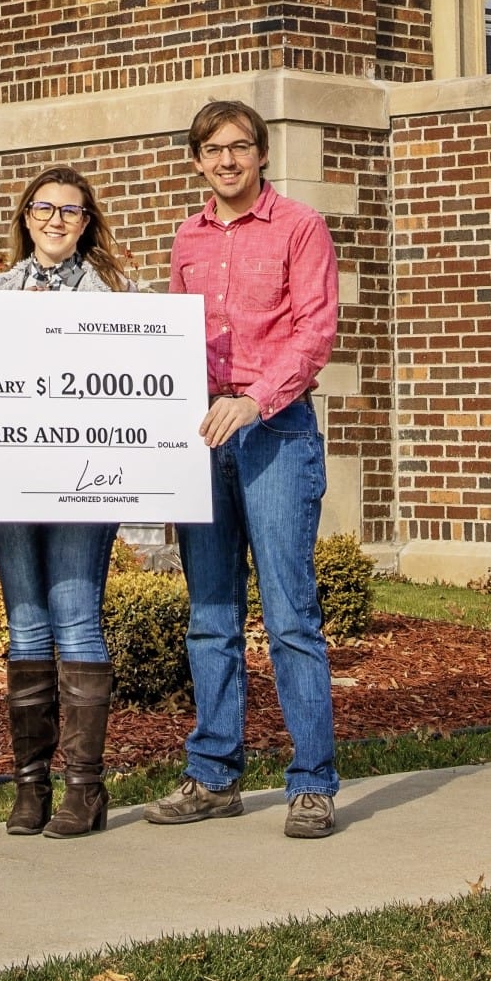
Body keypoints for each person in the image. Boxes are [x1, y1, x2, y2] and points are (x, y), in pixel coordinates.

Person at [147, 99, 341, 840]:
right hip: (202, 433)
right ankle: (214, 775)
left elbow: (314, 332)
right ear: (197, 160)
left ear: (261, 154)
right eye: (212, 150)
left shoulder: (300, 227)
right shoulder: (187, 239)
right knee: (211, 615)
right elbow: (174, 337)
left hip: (277, 433)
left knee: (291, 615)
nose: (226, 160)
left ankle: (312, 783)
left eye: (239, 147)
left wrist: (255, 402)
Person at [0, 167, 130, 838]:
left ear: (86, 223)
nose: (55, 220)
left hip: (83, 478)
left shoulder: (117, 300)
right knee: (26, 626)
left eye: (70, 212)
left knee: (74, 617)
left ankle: (83, 790)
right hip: (12, 478)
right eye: (44, 208)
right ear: (26, 215)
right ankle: (28, 788)